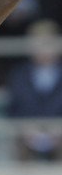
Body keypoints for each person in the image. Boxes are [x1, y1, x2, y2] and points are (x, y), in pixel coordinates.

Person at [6, 19, 62, 160]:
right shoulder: (18, 74)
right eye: (38, 43)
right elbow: (13, 108)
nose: (43, 48)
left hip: (59, 133)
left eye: (47, 43)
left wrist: (58, 129)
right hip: (27, 134)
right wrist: (24, 129)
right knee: (19, 145)